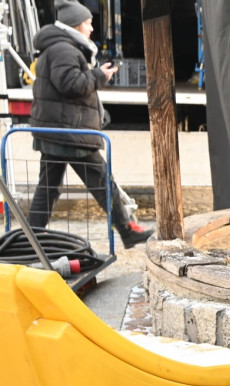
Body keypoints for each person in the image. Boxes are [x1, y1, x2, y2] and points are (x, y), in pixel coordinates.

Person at [28, 0, 152, 249]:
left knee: (48, 188)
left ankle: (31, 240)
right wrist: (99, 76)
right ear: (75, 24)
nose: (91, 28)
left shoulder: (59, 47)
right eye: (88, 23)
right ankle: (127, 231)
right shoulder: (64, 49)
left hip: (57, 131)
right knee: (103, 181)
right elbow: (70, 84)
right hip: (69, 134)